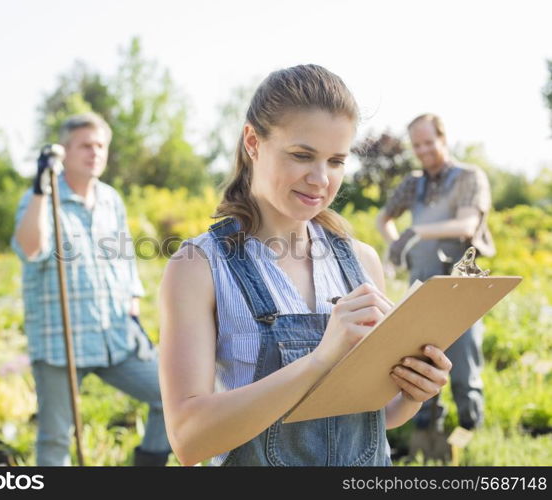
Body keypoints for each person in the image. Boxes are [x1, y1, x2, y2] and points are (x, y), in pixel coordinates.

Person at [158, 65, 452, 466]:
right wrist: (319, 360)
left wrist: (413, 393)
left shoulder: (361, 262)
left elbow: (370, 420)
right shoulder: (199, 266)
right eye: (302, 155)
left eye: (336, 161)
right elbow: (189, 439)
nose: (320, 179)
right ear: (253, 142)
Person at [11, 113, 171, 466]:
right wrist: (41, 188)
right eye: (85, 145)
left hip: (114, 336)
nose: (94, 152)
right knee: (55, 438)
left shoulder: (110, 199)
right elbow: (31, 249)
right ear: (65, 152)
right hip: (60, 343)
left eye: (100, 145)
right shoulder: (43, 198)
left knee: (172, 398)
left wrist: (133, 313)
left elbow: (124, 263)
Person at [376, 113, 495, 456]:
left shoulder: (470, 177)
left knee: (462, 373)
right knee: (420, 370)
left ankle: (471, 446)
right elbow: (383, 218)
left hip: (462, 292)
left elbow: (467, 223)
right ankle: (428, 448)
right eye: (416, 145)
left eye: (429, 142)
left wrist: (416, 232)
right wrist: (396, 243)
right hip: (422, 291)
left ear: (444, 139)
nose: (423, 150)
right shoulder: (413, 183)